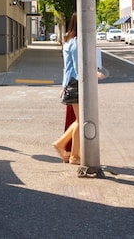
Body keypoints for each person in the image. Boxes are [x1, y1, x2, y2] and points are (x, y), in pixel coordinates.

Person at [52, 13, 81, 164]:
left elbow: (67, 67)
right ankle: (62, 145)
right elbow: (77, 67)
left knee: (80, 120)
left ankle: (74, 156)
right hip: (76, 83)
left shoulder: (69, 41)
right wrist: (93, 72)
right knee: (81, 120)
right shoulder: (76, 42)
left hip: (70, 83)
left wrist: (64, 85)